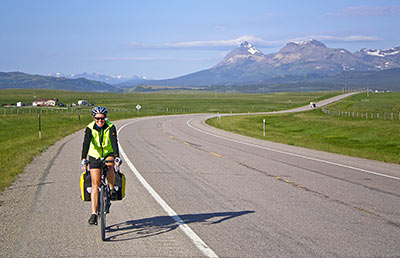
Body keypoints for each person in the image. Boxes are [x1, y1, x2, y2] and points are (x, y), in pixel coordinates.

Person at [81, 106, 122, 225]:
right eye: (97, 118)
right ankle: (94, 214)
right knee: (95, 184)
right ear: (93, 118)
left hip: (108, 153)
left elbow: (114, 142)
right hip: (94, 155)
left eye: (102, 118)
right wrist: (83, 159)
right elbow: (86, 143)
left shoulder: (110, 126)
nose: (100, 120)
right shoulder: (90, 128)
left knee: (110, 165)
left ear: (105, 118)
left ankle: (110, 188)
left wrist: (116, 156)